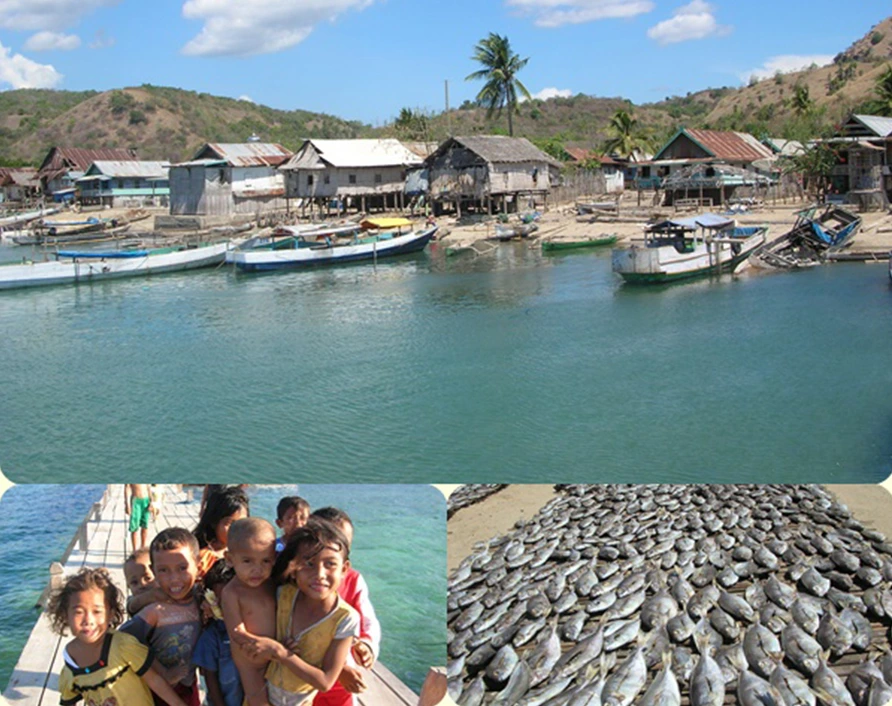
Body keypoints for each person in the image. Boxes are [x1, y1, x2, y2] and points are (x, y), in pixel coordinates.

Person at [240, 520, 359, 706]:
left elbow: (325, 681)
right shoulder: (283, 595)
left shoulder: (345, 619)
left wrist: (280, 652)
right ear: (293, 569)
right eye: (309, 563)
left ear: (344, 569)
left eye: (330, 564)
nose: (319, 573)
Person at [49, 567, 190, 706]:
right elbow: (68, 699)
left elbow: (154, 680)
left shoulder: (123, 645)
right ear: (65, 614)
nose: (88, 620)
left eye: (97, 611)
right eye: (79, 612)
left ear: (110, 614)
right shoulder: (70, 663)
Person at [121, 527, 203, 706]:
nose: (174, 578)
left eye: (182, 568)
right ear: (154, 571)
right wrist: (162, 671)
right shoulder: (154, 611)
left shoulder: (202, 598)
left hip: (189, 683)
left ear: (198, 564)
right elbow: (124, 641)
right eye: (164, 570)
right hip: (155, 690)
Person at [310, 508, 380, 706]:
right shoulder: (297, 583)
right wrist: (338, 670)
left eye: (343, 544)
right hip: (303, 679)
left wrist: (367, 645)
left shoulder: (354, 580)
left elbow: (369, 621)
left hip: (342, 684)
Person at [221, 517, 278, 706]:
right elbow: (237, 632)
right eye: (247, 561)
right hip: (251, 664)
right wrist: (269, 646)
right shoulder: (232, 592)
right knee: (258, 701)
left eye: (265, 561)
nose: (257, 569)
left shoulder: (271, 584)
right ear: (230, 559)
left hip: (275, 656)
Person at [192, 560, 243, 706]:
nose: (229, 608)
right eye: (221, 603)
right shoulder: (212, 636)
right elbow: (210, 680)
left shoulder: (258, 627)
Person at [193, 486, 250, 580]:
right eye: (229, 523)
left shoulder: (249, 552)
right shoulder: (204, 558)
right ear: (214, 522)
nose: (236, 529)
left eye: (242, 523)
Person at [124, 547, 166, 618]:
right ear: (128, 585)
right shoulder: (134, 603)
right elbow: (132, 606)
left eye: (147, 578)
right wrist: (153, 595)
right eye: (134, 582)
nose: (142, 585)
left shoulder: (169, 592)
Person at [125, 484, 153, 552]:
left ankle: (143, 547)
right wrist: (127, 505)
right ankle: (134, 550)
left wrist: (151, 502)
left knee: (145, 526)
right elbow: (126, 489)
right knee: (134, 527)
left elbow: (149, 488)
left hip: (146, 501)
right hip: (136, 501)